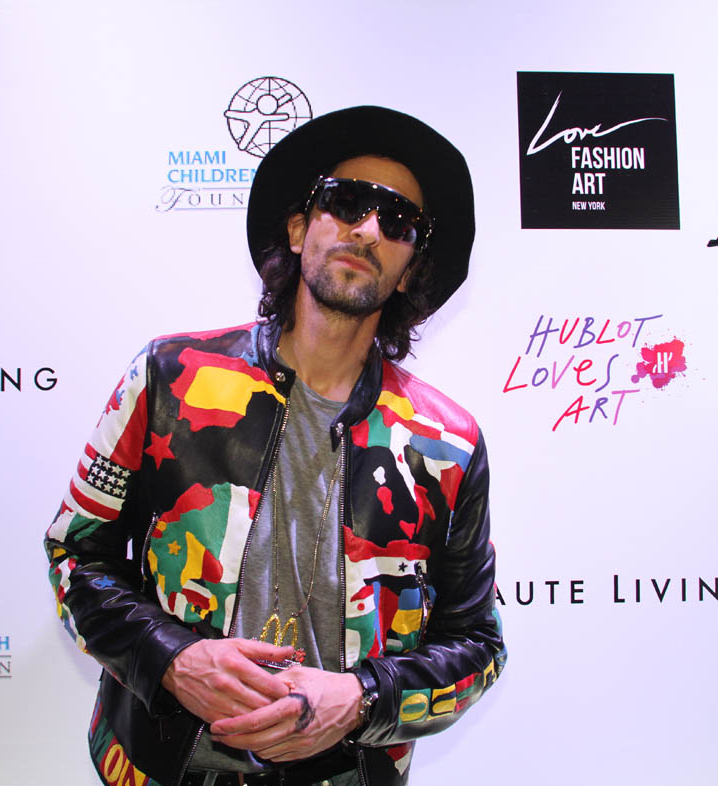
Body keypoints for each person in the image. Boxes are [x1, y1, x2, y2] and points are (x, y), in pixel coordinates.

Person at [45, 106, 506, 786]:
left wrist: (362, 699)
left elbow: (478, 646)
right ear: (298, 228)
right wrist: (172, 659)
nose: (367, 229)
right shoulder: (168, 377)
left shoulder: (449, 444)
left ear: (411, 270)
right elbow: (75, 554)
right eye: (346, 203)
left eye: (398, 222)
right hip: (157, 766)